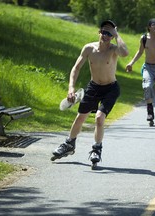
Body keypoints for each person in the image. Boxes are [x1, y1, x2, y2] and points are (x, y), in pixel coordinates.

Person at [52, 20, 129, 166]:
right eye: (104, 32)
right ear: (99, 32)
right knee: (80, 117)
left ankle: (96, 149)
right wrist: (71, 88)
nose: (105, 35)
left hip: (111, 88)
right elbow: (76, 68)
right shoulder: (89, 48)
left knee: (99, 118)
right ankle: (69, 144)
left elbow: (125, 52)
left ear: (112, 36)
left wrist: (117, 34)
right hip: (94, 87)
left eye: (109, 33)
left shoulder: (113, 50)